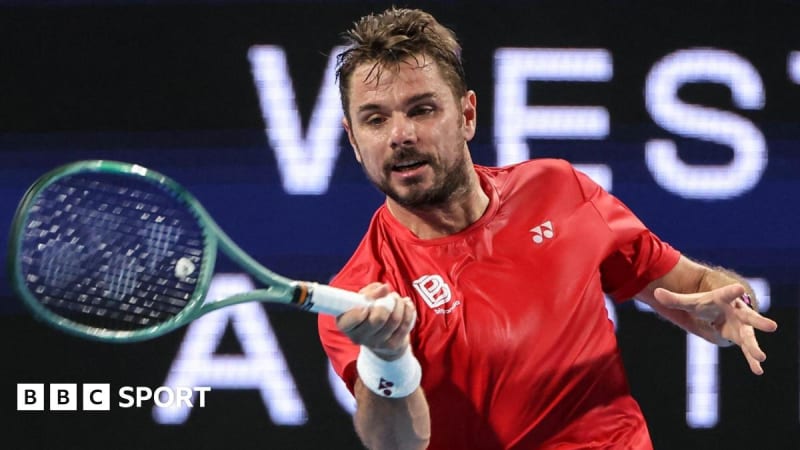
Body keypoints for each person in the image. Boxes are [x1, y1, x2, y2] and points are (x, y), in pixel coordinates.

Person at [317, 7, 778, 450]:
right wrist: (388, 358)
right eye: (375, 119)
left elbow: (696, 291)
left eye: (421, 109)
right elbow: (398, 442)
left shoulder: (558, 190)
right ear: (354, 141)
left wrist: (728, 304)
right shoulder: (361, 294)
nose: (400, 135)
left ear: (467, 115)